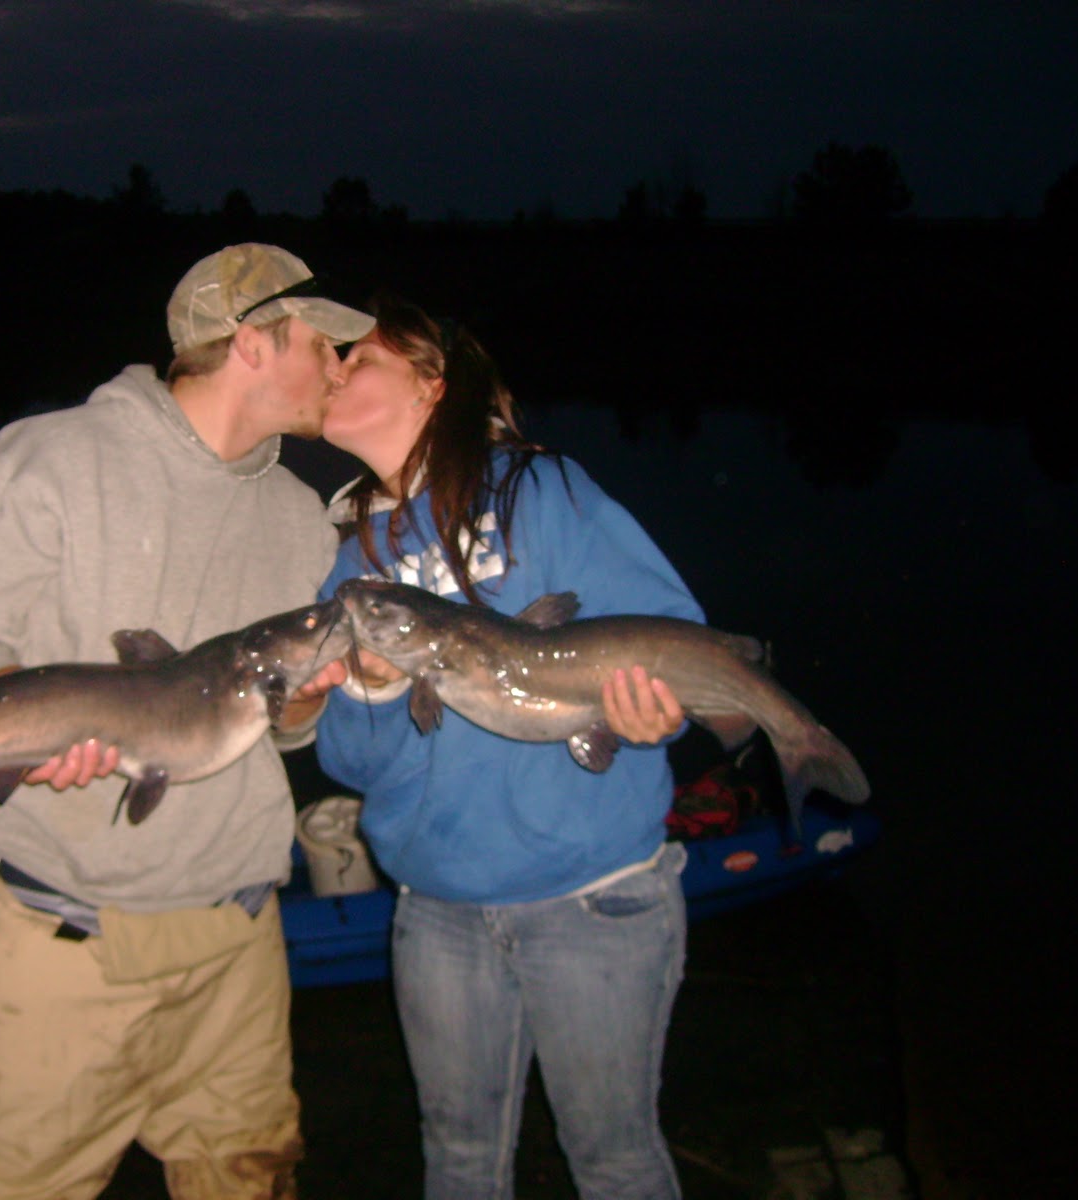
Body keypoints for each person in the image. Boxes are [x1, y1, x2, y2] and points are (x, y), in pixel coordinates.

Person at [0, 243, 375, 1200]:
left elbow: (284, 733)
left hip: (238, 940)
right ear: (252, 343)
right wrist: (24, 711)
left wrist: (307, 701)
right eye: (321, 345)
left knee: (252, 1182)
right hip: (58, 943)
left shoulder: (300, 519)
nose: (340, 368)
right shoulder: (54, 455)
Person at [307, 295, 704, 1200]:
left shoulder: (540, 489)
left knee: (614, 1160)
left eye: (359, 359)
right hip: (438, 911)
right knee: (457, 1162)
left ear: (432, 384)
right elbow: (348, 765)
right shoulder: (351, 561)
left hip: (593, 898)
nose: (334, 371)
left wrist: (659, 711)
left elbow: (671, 631)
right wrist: (371, 687)